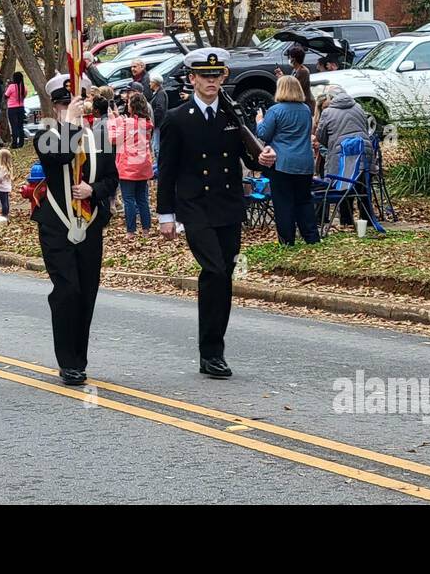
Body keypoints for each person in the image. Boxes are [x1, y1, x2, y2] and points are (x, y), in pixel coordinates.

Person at [157, 49, 273, 379]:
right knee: (215, 270)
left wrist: (262, 158)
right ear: (191, 79)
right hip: (195, 208)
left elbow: (249, 157)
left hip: (228, 206)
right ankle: (211, 353)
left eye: (217, 76)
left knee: (222, 278)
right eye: (205, 76)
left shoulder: (231, 116)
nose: (211, 81)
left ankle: (213, 351)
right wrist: (166, 214)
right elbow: (167, 172)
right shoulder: (178, 118)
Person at [32, 73, 119, 385]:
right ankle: (67, 361)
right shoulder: (45, 132)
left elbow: (112, 178)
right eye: (65, 103)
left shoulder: (99, 134)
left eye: (77, 102)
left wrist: (93, 189)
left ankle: (79, 359)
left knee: (87, 293)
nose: (73, 107)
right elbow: (60, 156)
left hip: (90, 223)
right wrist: (69, 123)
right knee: (67, 290)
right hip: (56, 224)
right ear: (56, 107)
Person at [256, 75, 319, 245]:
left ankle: (287, 240)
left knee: (283, 202)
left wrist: (259, 121)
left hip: (282, 162)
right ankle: (312, 237)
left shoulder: (275, 110)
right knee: (304, 200)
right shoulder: (305, 109)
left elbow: (263, 134)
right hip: (304, 162)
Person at [314, 84, 376, 229]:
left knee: (342, 185)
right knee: (362, 186)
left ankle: (346, 220)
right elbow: (365, 129)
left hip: (341, 154)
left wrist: (332, 143)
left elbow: (320, 136)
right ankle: (367, 219)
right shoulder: (358, 107)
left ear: (331, 98)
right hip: (363, 151)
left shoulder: (328, 112)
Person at [108, 91, 154, 234]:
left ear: (132, 106)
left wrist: (112, 121)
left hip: (128, 166)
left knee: (128, 199)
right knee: (142, 199)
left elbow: (113, 139)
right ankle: (146, 229)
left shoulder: (127, 122)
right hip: (143, 165)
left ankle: (131, 230)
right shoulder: (147, 123)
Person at [148, 74, 168, 158]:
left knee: (156, 145)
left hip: (158, 124)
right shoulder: (158, 93)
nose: (149, 84)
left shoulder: (160, 94)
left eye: (151, 82)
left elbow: (160, 109)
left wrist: (153, 120)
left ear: (155, 83)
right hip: (157, 124)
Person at [5, 71, 27, 147]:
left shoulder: (11, 87)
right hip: (21, 107)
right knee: (20, 125)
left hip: (12, 108)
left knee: (14, 125)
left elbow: (6, 96)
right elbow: (24, 96)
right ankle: (21, 142)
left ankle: (14, 143)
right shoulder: (23, 87)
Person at [0, 147, 14, 218]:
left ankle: (4, 214)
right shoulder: (7, 167)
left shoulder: (2, 167)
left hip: (2, 187)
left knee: (3, 202)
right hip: (7, 187)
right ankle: (6, 212)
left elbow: (0, 178)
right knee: (6, 201)